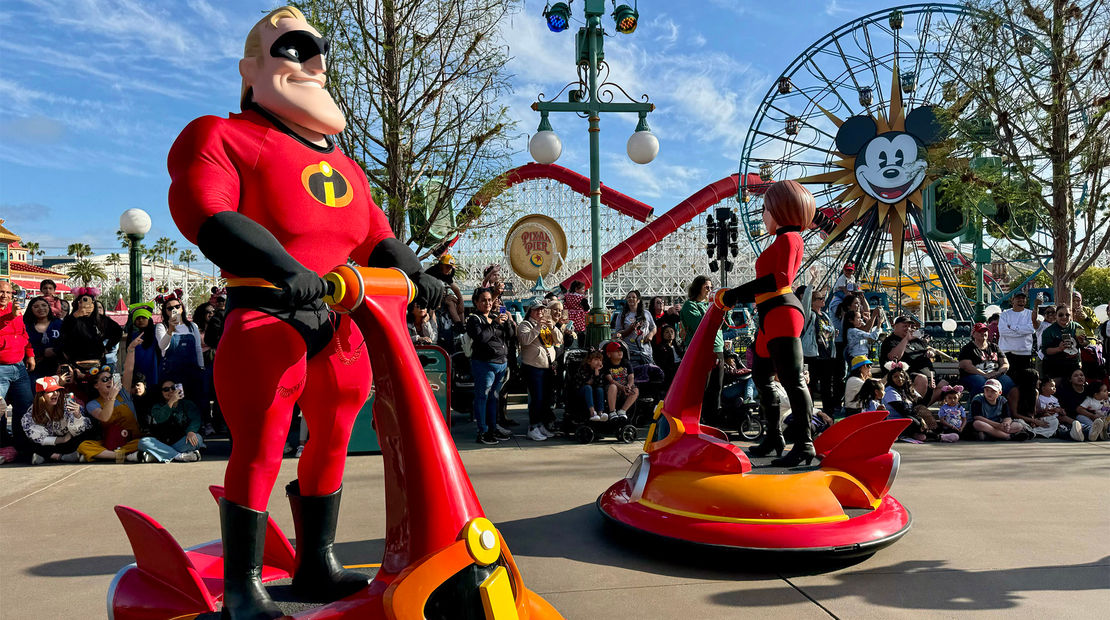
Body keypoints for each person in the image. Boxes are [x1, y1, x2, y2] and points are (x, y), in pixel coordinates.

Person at [166, 7, 443, 615]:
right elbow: (205, 209)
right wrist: (285, 269)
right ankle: (242, 585)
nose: (314, 62)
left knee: (335, 439)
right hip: (269, 314)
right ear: (253, 68)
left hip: (339, 324)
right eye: (294, 48)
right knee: (262, 444)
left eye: (318, 50)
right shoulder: (221, 134)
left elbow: (375, 236)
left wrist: (421, 274)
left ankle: (316, 560)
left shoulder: (347, 167)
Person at [721, 180, 815, 466]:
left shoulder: (790, 239)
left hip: (782, 312)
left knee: (793, 380)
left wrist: (737, 293)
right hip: (769, 314)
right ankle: (774, 436)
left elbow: (782, 278)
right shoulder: (782, 239)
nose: (762, 214)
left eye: (765, 209)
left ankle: (805, 443)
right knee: (761, 376)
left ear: (781, 209)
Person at [77, 339, 144, 461]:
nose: (109, 381)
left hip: (132, 440)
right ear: (96, 385)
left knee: (144, 442)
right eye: (104, 380)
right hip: (110, 441)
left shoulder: (123, 393)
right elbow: (104, 417)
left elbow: (128, 370)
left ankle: (107, 455)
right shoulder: (93, 404)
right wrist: (111, 398)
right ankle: (124, 456)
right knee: (84, 446)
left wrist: (131, 349)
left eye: (110, 378)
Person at [467, 288, 513, 445]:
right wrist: (494, 324)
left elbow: (510, 335)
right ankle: (483, 430)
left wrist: (508, 321)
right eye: (483, 300)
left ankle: (492, 428)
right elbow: (481, 338)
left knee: (494, 398)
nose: (487, 303)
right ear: (476, 302)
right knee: (482, 397)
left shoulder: (495, 316)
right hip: (484, 364)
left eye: (489, 300)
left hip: (501, 363)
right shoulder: (474, 319)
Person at [155, 293, 206, 424]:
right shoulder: (162, 327)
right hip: (172, 373)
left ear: (182, 308)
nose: (174, 310)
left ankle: (198, 428)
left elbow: (197, 348)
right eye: (169, 308)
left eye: (177, 306)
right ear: (165, 311)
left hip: (192, 371)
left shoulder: (192, 326)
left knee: (195, 400)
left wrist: (201, 367)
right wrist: (170, 330)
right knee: (177, 401)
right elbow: (162, 346)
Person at [681, 275, 723, 423]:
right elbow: (700, 325)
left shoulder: (713, 306)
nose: (710, 290)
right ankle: (697, 417)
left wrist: (725, 310)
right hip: (700, 350)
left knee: (716, 386)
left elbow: (724, 324)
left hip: (718, 349)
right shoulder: (690, 305)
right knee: (701, 386)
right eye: (707, 287)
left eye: (711, 288)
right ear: (698, 287)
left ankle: (713, 418)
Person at [878, 316, 947, 404]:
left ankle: (921, 408)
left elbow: (927, 349)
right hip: (906, 375)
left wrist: (931, 352)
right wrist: (906, 339)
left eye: (909, 326)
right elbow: (894, 356)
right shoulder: (890, 341)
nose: (908, 328)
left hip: (928, 373)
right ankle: (913, 408)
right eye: (905, 326)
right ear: (895, 326)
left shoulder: (916, 341)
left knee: (944, 385)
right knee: (922, 379)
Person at [22, 376, 91, 464]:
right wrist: (62, 440)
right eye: (50, 391)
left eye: (57, 390)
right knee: (27, 440)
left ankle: (46, 456)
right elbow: (38, 437)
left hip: (70, 440)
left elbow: (78, 430)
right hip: (52, 443)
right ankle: (58, 456)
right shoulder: (32, 412)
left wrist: (77, 416)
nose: (55, 394)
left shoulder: (67, 404)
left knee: (85, 434)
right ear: (41, 395)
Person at [518, 301, 561, 441]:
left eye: (542, 310)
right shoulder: (525, 325)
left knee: (546, 399)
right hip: (533, 367)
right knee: (536, 398)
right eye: (536, 310)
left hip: (547, 368)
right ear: (530, 311)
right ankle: (533, 427)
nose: (540, 313)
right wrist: (538, 327)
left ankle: (541, 424)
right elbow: (525, 340)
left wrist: (553, 327)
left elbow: (559, 340)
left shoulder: (547, 325)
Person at [1, 280, 35, 455]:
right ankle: (2, 443)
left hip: (19, 367)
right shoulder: (13, 313)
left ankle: (22, 446)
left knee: (25, 406)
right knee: (0, 409)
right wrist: (11, 317)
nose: (4, 296)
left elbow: (23, 334)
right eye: (1, 292)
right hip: (1, 368)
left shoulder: (17, 311)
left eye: (8, 293)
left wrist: (30, 354)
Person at [135, 378, 205, 462]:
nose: (170, 391)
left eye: (173, 388)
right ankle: (179, 456)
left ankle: (158, 455)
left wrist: (191, 431)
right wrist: (171, 402)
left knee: (198, 438)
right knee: (143, 442)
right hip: (162, 442)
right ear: (161, 393)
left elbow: (196, 419)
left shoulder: (187, 404)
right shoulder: (157, 407)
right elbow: (160, 418)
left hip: (181, 441)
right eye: (166, 389)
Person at [60, 287, 123, 367]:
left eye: (89, 302)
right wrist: (76, 316)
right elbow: (63, 336)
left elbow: (118, 331)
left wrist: (107, 347)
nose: (86, 304)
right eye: (82, 301)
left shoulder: (101, 319)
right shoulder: (70, 319)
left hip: (97, 361)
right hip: (75, 361)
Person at [799, 285, 837, 415]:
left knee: (827, 387)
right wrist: (811, 283)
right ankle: (810, 411)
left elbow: (826, 333)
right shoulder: (810, 315)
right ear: (813, 301)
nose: (823, 300)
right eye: (820, 298)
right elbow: (805, 301)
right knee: (811, 385)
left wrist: (833, 334)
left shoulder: (825, 315)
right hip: (813, 356)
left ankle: (828, 412)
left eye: (823, 297)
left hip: (826, 355)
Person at [958, 322, 1014, 396]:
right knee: (981, 384)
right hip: (974, 375)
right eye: (979, 331)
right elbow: (966, 366)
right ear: (973, 334)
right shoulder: (968, 348)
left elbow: (1005, 364)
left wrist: (998, 373)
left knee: (1008, 383)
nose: (983, 333)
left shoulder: (994, 347)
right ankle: (977, 405)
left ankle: (1001, 404)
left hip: (995, 374)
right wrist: (985, 375)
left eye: (985, 331)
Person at [998, 292, 1040, 377]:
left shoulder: (1030, 314)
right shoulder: (1004, 314)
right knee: (1008, 379)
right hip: (1007, 352)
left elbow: (1031, 329)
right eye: (1018, 298)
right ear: (1012, 300)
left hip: (1024, 353)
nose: (1021, 300)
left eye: (1023, 298)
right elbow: (1003, 331)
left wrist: (1013, 327)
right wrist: (1022, 331)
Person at [23, 296, 63, 380]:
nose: (41, 308)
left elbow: (68, 343)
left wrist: (56, 351)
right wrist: (42, 352)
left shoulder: (60, 324)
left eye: (44, 305)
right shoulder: (26, 326)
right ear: (30, 309)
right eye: (36, 306)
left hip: (58, 368)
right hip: (34, 370)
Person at [1040, 305, 1083, 382]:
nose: (1064, 317)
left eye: (1067, 315)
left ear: (1071, 315)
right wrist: (1059, 349)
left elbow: (1085, 344)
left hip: (1073, 364)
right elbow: (1045, 351)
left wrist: (1081, 341)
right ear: (1056, 316)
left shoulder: (1077, 327)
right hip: (1055, 366)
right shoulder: (1048, 331)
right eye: (1060, 315)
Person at [612, 289, 655, 364]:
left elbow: (654, 328)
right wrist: (630, 329)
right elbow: (618, 333)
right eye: (629, 297)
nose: (631, 299)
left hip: (646, 351)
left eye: (633, 297)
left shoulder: (646, 313)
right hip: (631, 352)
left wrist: (650, 335)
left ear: (638, 300)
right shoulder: (622, 315)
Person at [125, 302, 160, 389]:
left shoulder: (156, 333)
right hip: (137, 372)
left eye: (144, 318)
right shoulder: (132, 335)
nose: (140, 320)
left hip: (153, 372)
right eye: (137, 318)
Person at [602, 341, 638, 421]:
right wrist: (622, 387)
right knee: (613, 387)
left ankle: (623, 411)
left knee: (635, 390)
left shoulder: (626, 363)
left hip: (625, 388)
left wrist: (629, 385)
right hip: (613, 389)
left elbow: (631, 376)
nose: (620, 352)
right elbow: (610, 380)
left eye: (620, 350)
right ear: (609, 354)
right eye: (616, 351)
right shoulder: (606, 364)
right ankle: (612, 412)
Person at [577, 350, 607, 421]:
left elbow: (600, 384)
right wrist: (595, 374)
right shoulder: (583, 370)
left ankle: (600, 413)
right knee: (588, 388)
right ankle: (592, 412)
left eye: (600, 360)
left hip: (595, 391)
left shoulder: (601, 371)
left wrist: (597, 373)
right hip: (582, 391)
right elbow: (587, 383)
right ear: (589, 361)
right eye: (596, 360)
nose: (599, 362)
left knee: (600, 389)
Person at [655, 324, 685, 391]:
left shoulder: (678, 347)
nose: (670, 334)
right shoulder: (661, 347)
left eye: (672, 332)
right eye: (667, 332)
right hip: (669, 372)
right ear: (663, 334)